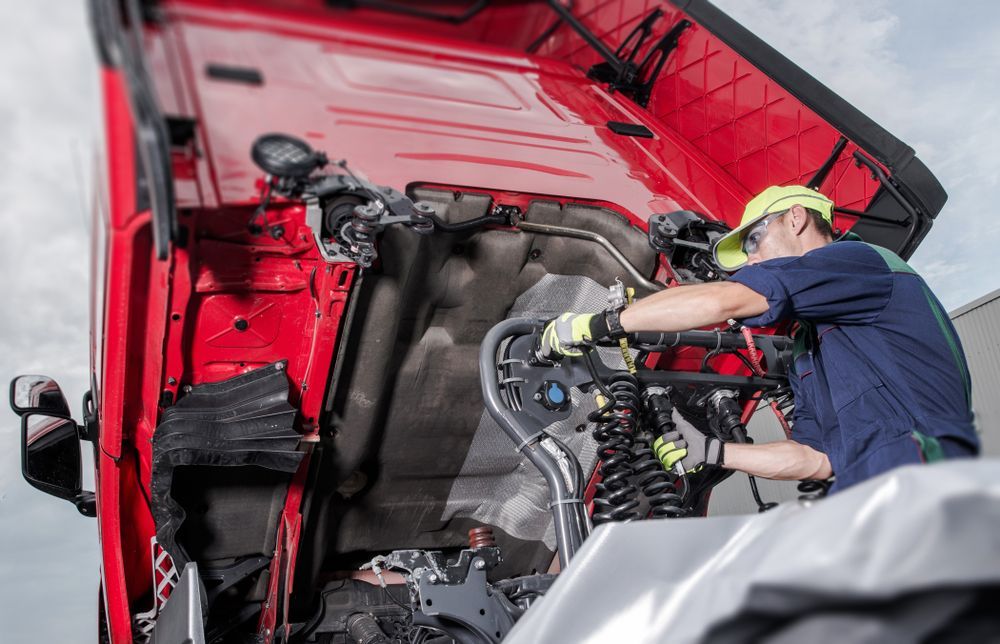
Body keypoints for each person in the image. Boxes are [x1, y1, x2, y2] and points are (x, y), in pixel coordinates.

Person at [542, 185, 978, 492]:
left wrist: (596, 325)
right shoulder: (813, 348)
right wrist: (711, 451)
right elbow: (813, 459)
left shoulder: (859, 262)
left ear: (796, 217)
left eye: (754, 238)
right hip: (871, 500)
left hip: (922, 487)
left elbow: (728, 300)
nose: (751, 258)